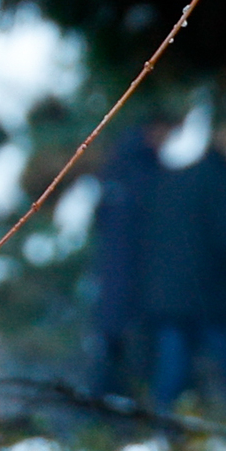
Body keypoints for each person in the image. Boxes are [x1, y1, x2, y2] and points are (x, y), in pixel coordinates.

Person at [140, 134, 226, 420]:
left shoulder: (158, 181)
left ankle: (163, 437)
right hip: (215, 296)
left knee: (171, 377)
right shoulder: (221, 178)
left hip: (170, 297)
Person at [87, 123, 160, 400]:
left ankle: (99, 416)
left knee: (110, 352)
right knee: (129, 358)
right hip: (135, 283)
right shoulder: (145, 173)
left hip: (113, 281)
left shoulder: (113, 173)